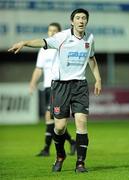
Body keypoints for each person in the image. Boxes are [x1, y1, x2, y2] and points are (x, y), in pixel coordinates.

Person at [8, 8, 102, 173]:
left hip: (79, 85)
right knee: (59, 127)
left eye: (84, 18)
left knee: (81, 122)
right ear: (72, 21)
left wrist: (98, 79)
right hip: (60, 86)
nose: (81, 21)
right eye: (78, 18)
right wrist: (24, 42)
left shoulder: (90, 38)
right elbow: (42, 41)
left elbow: (92, 58)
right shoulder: (62, 37)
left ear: (87, 21)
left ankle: (80, 163)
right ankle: (60, 156)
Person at [29, 23, 76, 156]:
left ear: (59, 33)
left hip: (57, 86)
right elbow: (39, 68)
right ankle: (71, 142)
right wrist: (32, 82)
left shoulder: (62, 47)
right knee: (51, 120)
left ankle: (46, 149)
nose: (52, 33)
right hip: (46, 87)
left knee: (50, 117)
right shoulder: (43, 49)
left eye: (55, 31)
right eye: (50, 30)